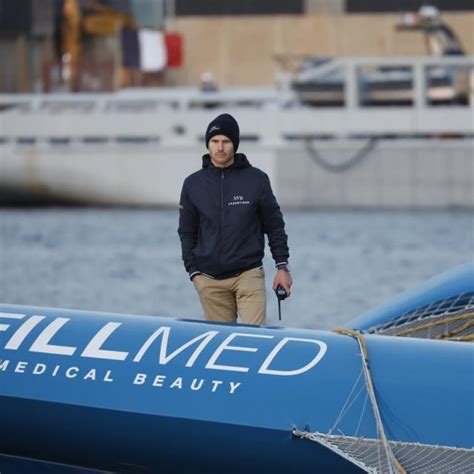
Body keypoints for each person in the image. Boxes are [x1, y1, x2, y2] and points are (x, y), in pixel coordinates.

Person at [178, 113, 292, 325]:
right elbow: (186, 232)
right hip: (209, 281)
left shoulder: (256, 180)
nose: (220, 147)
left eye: (226, 141)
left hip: (248, 276)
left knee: (255, 342)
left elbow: (275, 226)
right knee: (222, 347)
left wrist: (282, 267)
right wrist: (194, 272)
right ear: (208, 144)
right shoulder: (193, 184)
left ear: (235, 145)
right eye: (214, 141)